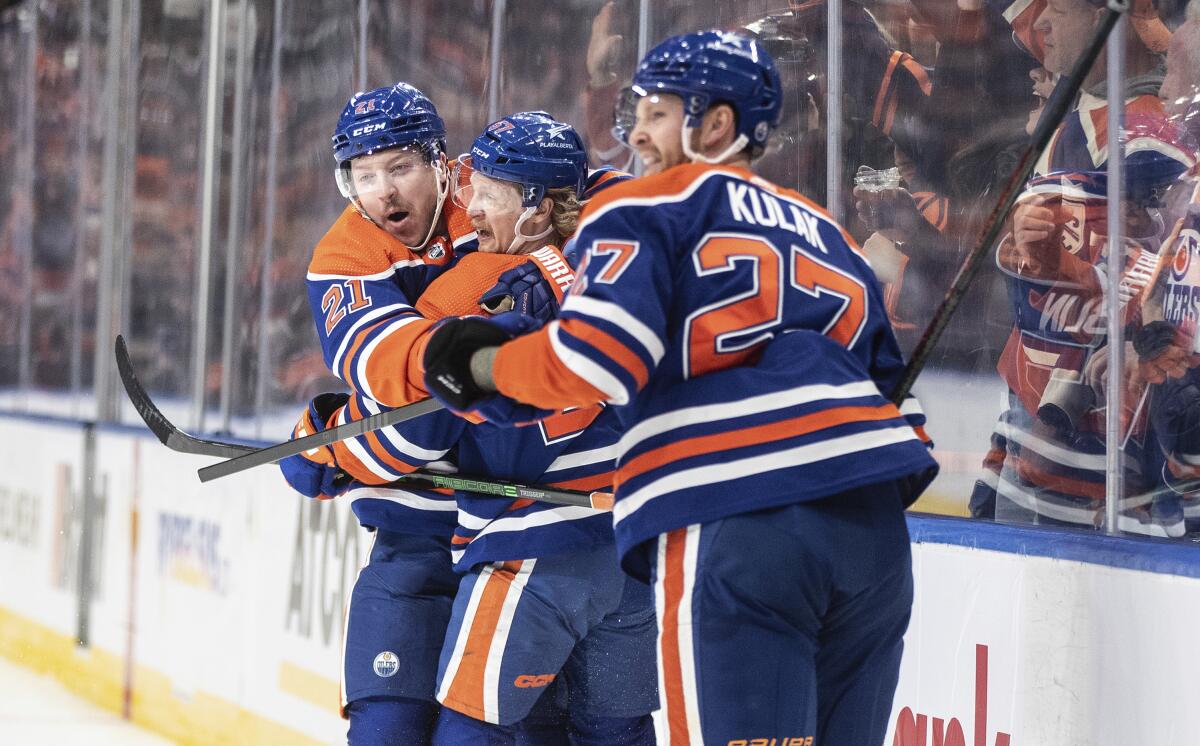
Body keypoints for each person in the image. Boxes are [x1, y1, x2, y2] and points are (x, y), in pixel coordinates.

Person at [421, 31, 939, 746]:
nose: (636, 131)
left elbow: (603, 353)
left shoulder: (647, 204)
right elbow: (895, 399)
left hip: (740, 520)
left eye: (658, 113)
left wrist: (483, 369)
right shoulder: (828, 234)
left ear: (718, 126)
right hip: (875, 536)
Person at [288, 112, 655, 745]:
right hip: (605, 535)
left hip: (520, 539)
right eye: (365, 175)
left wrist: (337, 444)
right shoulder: (619, 261)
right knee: (603, 730)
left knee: (466, 729)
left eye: (400, 168)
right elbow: (637, 208)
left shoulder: (486, 253)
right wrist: (552, 265)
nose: (385, 191)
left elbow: (428, 413)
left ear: (441, 163)